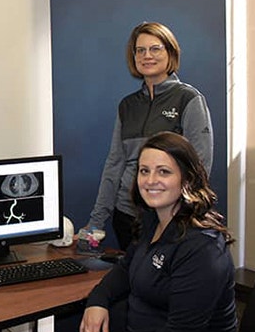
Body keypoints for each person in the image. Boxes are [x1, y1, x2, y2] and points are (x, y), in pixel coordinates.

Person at [79, 131, 236, 332]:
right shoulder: (154, 220)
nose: (150, 180)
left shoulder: (202, 248)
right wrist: (97, 300)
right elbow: (125, 268)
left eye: (164, 171)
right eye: (144, 171)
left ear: (187, 178)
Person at [85, 21, 214, 251]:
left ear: (170, 53)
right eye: (140, 50)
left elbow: (200, 165)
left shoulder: (188, 99)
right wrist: (96, 220)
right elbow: (115, 164)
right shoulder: (127, 106)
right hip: (126, 216)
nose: (147, 55)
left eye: (155, 48)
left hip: (169, 218)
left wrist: (180, 216)